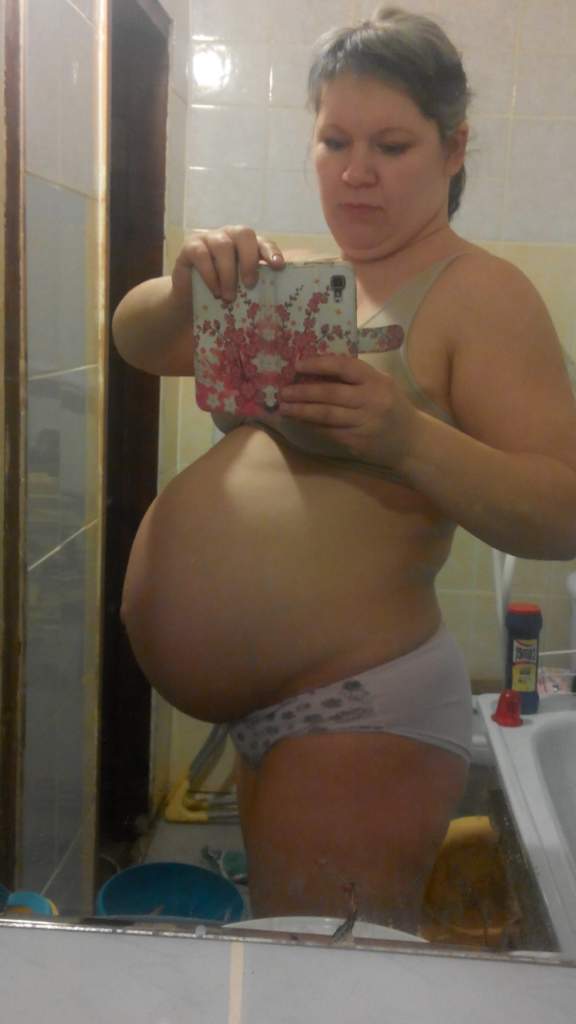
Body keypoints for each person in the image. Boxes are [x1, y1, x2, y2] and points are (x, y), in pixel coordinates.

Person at [112, 7, 576, 932]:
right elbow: (139, 343)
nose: (357, 171)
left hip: (358, 704)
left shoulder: (479, 294)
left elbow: (563, 511)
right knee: (294, 950)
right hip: (283, 707)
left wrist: (404, 437)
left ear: (454, 148)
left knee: (323, 975)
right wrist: (183, 288)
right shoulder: (308, 286)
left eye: (392, 145)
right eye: (335, 140)